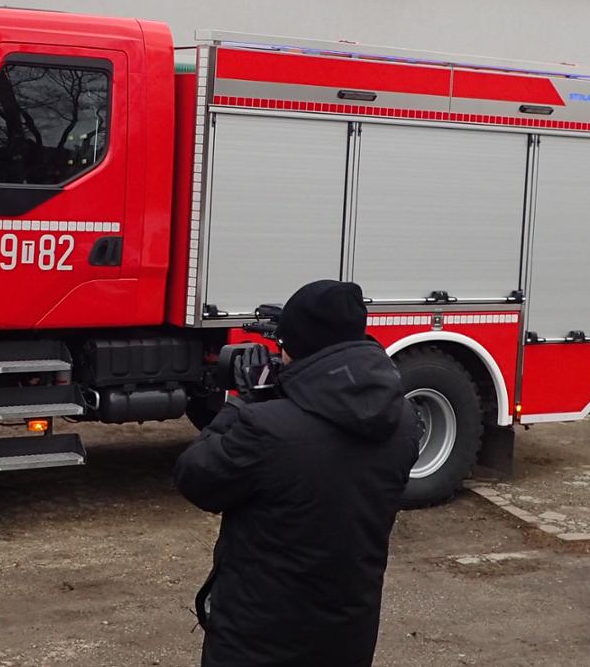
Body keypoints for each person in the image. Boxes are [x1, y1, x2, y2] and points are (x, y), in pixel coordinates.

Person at [175, 279, 418, 667]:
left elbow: (196, 478)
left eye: (284, 346)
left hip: (258, 640)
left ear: (298, 347)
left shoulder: (266, 429)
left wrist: (243, 404)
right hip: (349, 635)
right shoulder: (403, 419)